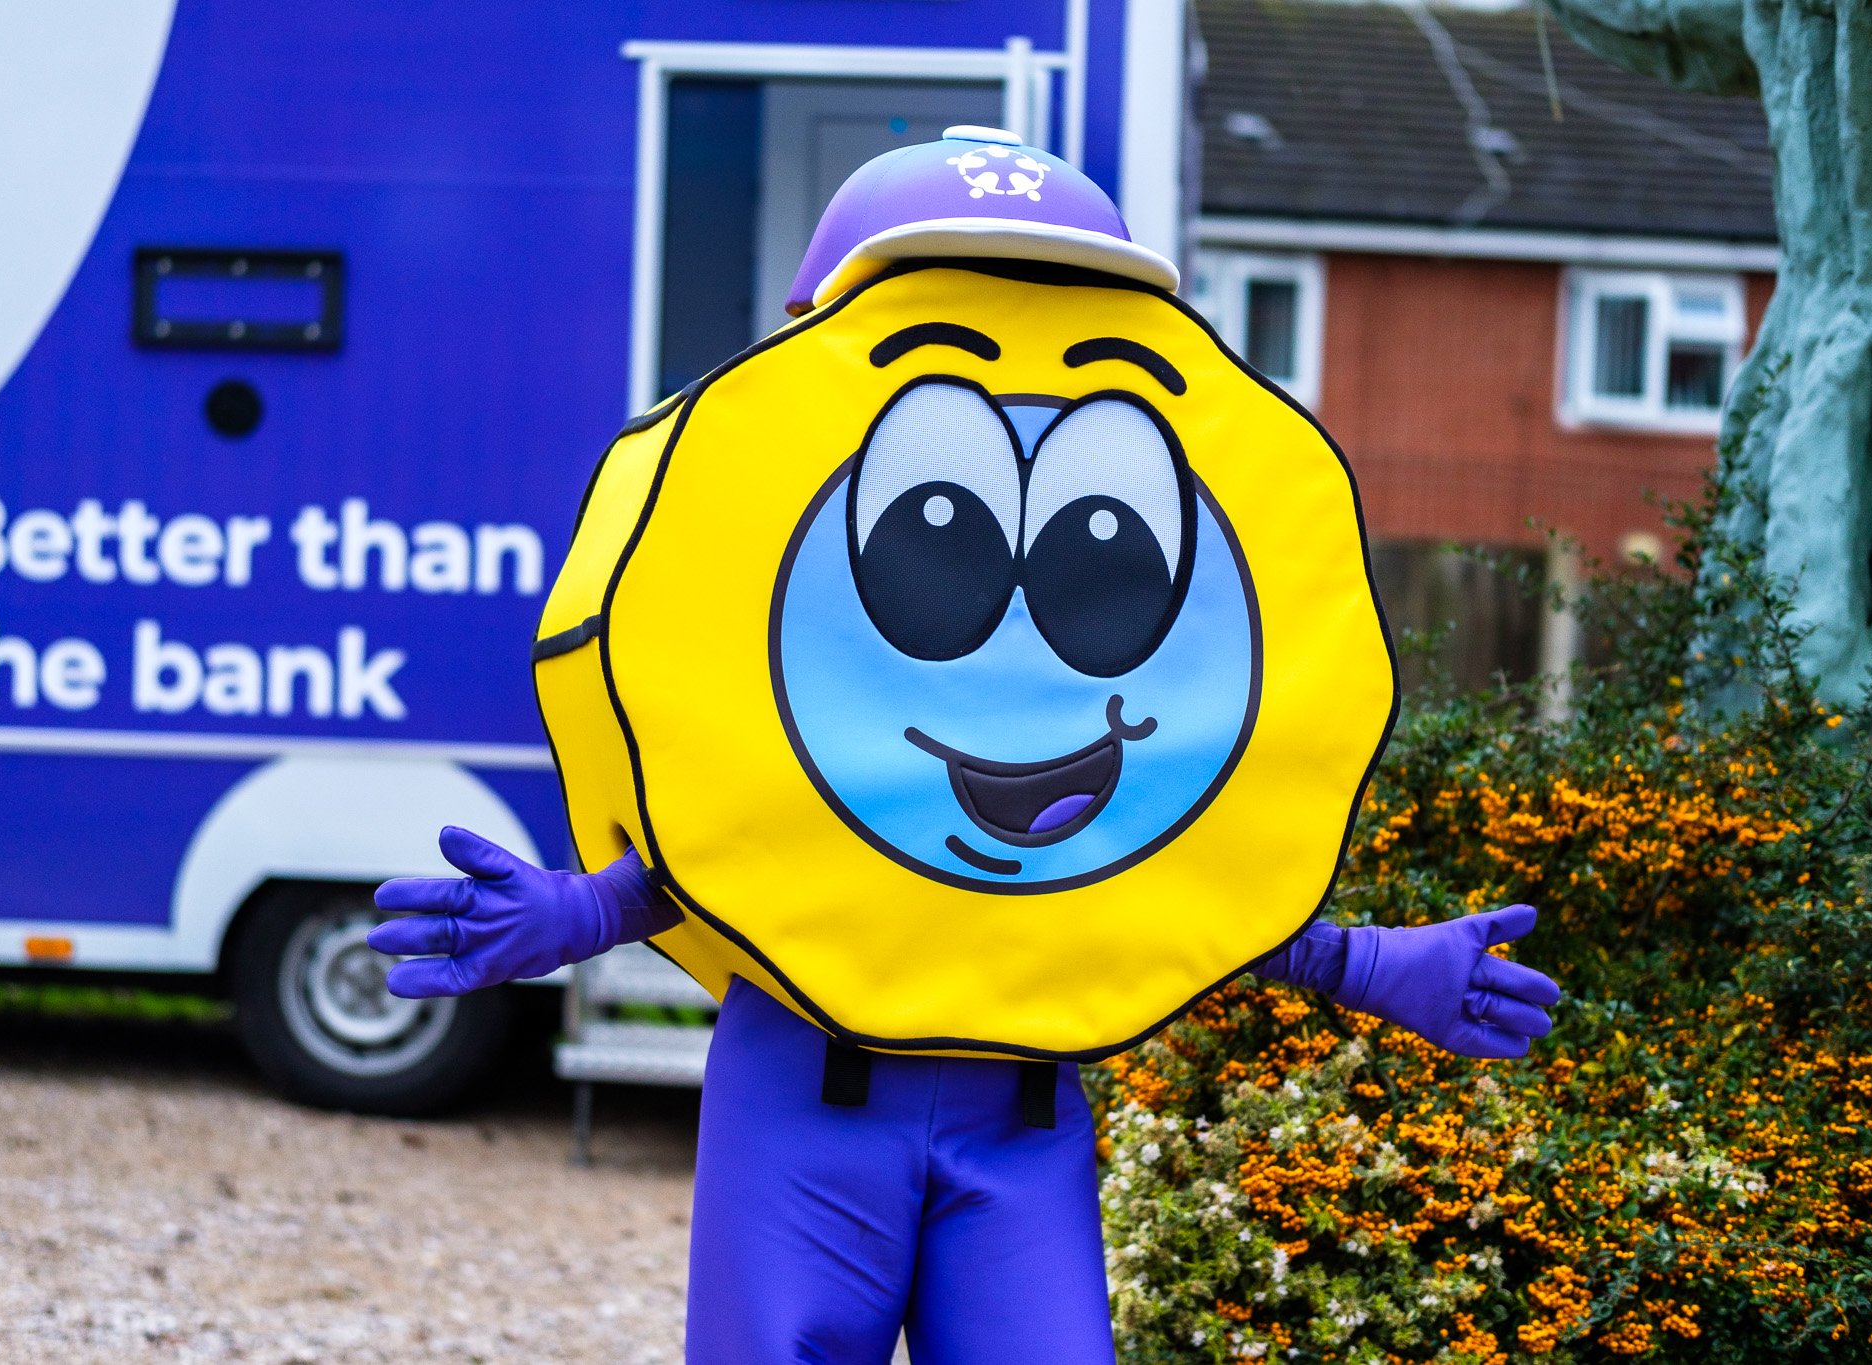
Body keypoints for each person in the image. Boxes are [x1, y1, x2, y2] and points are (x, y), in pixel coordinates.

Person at [368, 127, 1561, 1365]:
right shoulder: (760, 502)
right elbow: (738, 795)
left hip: (1022, 1114)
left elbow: (1172, 869)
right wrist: (584, 911)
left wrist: (1357, 964)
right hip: (807, 1085)